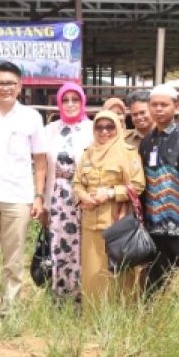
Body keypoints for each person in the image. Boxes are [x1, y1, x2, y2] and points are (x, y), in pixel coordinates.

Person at [0, 61, 46, 316]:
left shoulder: (32, 117)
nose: (6, 88)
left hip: (18, 197)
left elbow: (40, 161)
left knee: (14, 258)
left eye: (11, 83)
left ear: (20, 86)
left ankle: (9, 309)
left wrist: (38, 196)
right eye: (0, 83)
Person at [73, 110, 145, 301]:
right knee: (92, 272)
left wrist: (111, 193)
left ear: (118, 128)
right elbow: (77, 182)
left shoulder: (129, 153)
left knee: (118, 273)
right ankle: (93, 319)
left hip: (117, 223)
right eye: (100, 127)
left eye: (110, 127)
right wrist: (83, 196)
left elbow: (138, 185)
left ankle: (119, 319)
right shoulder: (87, 153)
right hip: (91, 222)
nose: (104, 132)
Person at [139, 84, 179, 293]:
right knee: (155, 281)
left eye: (164, 105)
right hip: (154, 225)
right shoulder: (147, 142)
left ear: (176, 106)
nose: (159, 109)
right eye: (154, 105)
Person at [42, 82, 95, 302]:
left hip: (84, 198)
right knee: (58, 246)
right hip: (57, 198)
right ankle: (60, 296)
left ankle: (84, 297)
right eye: (65, 100)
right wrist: (43, 202)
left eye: (75, 99)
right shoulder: (50, 130)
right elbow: (42, 167)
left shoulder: (93, 129)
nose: (70, 104)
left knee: (84, 247)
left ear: (82, 102)